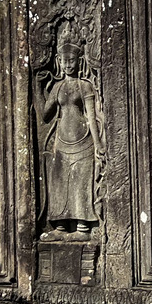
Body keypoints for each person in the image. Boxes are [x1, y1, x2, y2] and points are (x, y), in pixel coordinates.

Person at [38, 39, 103, 233]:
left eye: (72, 60)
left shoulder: (85, 87)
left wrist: (98, 143)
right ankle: (60, 225)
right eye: (64, 61)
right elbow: (44, 114)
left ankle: (83, 227)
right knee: (59, 183)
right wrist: (37, 87)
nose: (68, 65)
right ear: (58, 61)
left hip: (84, 142)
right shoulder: (57, 87)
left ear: (80, 61)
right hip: (62, 143)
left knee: (80, 184)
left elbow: (91, 116)